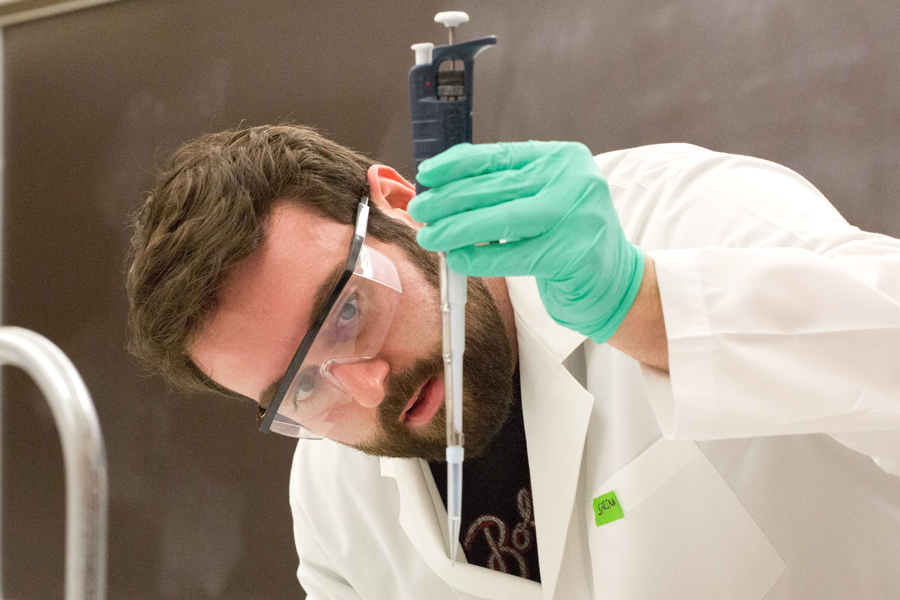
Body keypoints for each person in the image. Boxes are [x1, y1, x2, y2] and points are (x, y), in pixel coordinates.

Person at [126, 124, 900, 600]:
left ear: (399, 203)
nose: (365, 383)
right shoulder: (336, 502)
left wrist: (648, 306)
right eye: (301, 388)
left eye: (350, 309)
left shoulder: (674, 218)